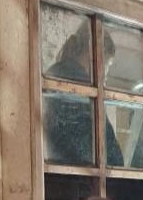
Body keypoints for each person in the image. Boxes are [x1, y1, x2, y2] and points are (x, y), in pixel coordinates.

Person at [44, 25, 124, 166]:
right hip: (86, 175)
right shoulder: (84, 84)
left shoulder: (53, 73)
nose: (105, 74)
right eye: (107, 65)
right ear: (97, 56)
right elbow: (111, 155)